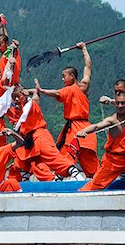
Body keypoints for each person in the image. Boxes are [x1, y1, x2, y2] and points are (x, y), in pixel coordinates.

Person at [35, 42, 98, 178]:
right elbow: (88, 66)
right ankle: (63, 177)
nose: (62, 79)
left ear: (72, 77)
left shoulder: (73, 89)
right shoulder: (83, 86)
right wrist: (84, 49)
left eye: (64, 76)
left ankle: (65, 176)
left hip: (78, 127)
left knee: (78, 155)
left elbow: (57, 93)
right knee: (71, 154)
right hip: (80, 127)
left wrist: (42, 91)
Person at [10, 86, 84, 181]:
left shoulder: (32, 103)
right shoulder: (21, 111)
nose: (16, 100)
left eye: (18, 96)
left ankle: (76, 174)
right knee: (29, 161)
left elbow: (35, 93)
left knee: (52, 157)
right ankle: (47, 180)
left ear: (24, 95)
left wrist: (28, 91)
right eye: (14, 98)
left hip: (40, 136)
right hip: (30, 139)